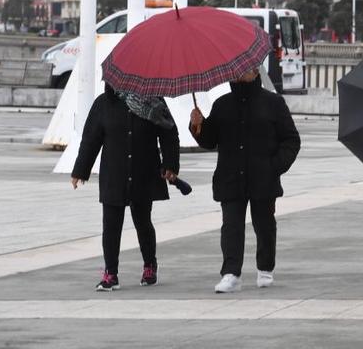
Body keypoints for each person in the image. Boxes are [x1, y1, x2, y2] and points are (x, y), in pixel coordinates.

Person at [190, 69, 301, 293]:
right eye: (236, 71)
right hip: (230, 177)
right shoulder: (222, 104)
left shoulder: (273, 103)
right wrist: (197, 126)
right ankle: (231, 273)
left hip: (263, 177)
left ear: (255, 72)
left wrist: (275, 166)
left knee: (265, 226)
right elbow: (210, 140)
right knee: (231, 227)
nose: (240, 74)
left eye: (246, 70)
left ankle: (265, 267)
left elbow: (291, 140)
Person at [71, 83, 180, 291]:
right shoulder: (103, 104)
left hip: (143, 172)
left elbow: (169, 133)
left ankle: (150, 266)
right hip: (114, 173)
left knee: (143, 222)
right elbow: (91, 139)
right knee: (111, 226)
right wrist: (80, 170)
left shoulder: (153, 100)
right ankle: (110, 273)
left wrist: (170, 165)